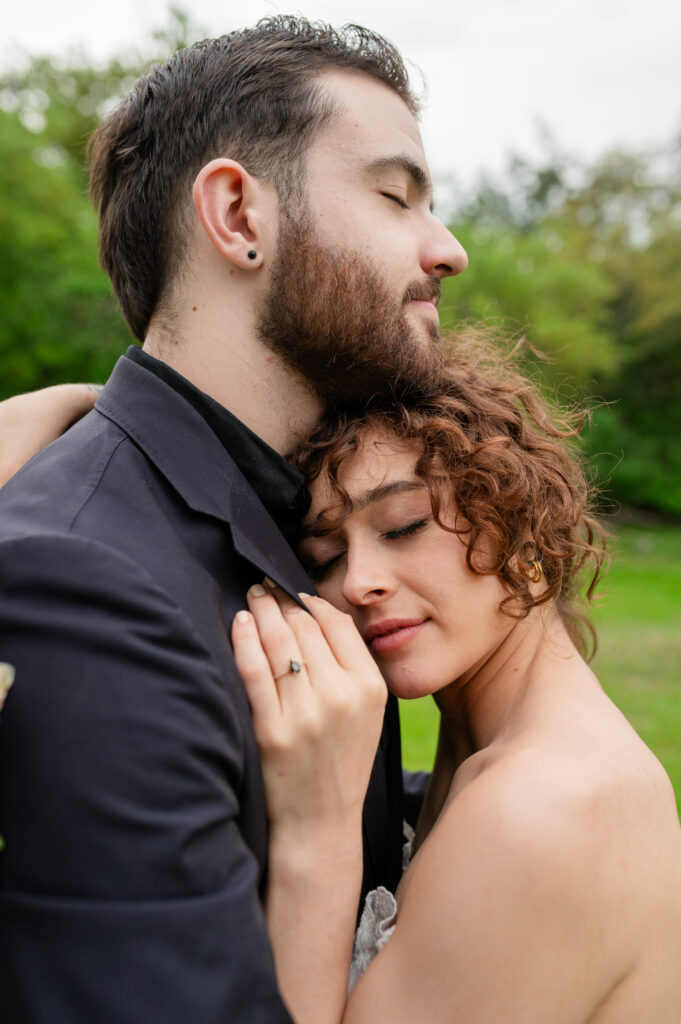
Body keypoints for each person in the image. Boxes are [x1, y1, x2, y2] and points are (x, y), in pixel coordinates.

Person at [0, 17, 467, 1022]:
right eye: (395, 196)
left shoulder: (290, 516)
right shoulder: (82, 583)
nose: (449, 249)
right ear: (237, 215)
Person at [230, 336, 681, 1023]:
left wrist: (315, 837)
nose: (357, 583)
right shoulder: (484, 765)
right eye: (323, 555)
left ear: (522, 521)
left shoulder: (540, 809)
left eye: (404, 525)